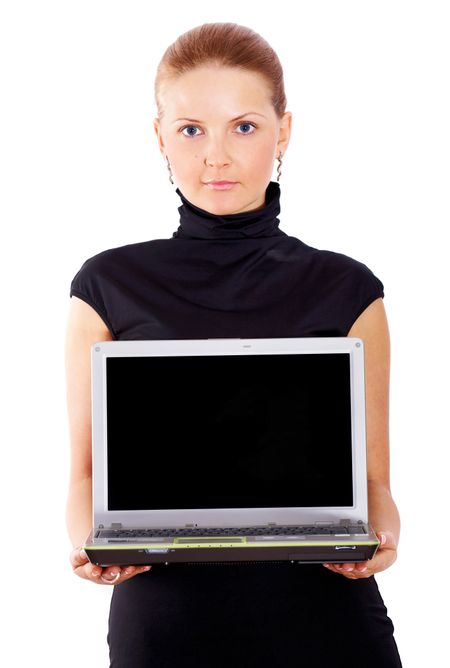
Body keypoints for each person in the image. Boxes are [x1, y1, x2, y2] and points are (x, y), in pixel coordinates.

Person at [65, 22, 403, 668]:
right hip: (164, 630)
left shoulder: (350, 290)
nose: (215, 156)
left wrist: (384, 536)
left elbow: (377, 485)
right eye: (191, 129)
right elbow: (83, 477)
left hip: (327, 626)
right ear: (159, 136)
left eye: (243, 126)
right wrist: (91, 541)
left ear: (285, 132)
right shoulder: (105, 287)